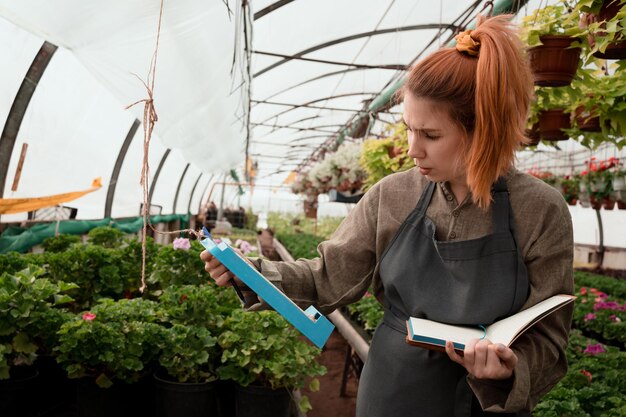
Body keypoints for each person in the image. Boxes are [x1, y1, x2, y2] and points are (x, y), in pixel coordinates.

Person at [200, 15, 574, 417]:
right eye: (409, 130)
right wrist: (254, 273)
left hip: (485, 403)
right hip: (394, 392)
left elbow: (550, 339)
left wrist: (509, 369)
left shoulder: (540, 210)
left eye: (430, 135)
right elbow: (327, 278)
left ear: (484, 130)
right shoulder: (393, 195)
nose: (413, 150)